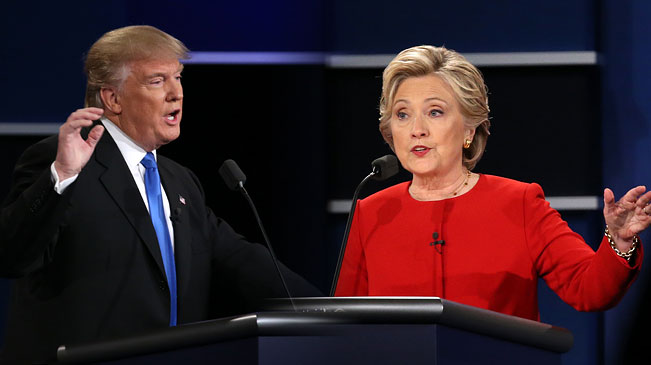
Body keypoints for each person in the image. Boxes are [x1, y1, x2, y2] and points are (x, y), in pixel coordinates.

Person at [0, 25, 319, 364]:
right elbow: (12, 254)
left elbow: (240, 259)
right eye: (157, 81)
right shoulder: (63, 161)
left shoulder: (179, 181)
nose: (176, 93)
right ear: (113, 98)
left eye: (178, 78)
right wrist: (61, 176)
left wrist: (331, 308)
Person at [334, 45, 650, 322]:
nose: (417, 129)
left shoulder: (520, 203)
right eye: (402, 114)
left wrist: (619, 243)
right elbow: (344, 324)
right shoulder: (371, 212)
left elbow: (589, 290)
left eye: (434, 112)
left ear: (469, 131)